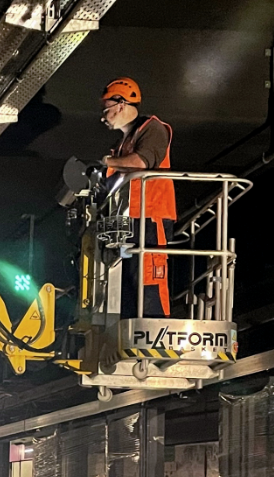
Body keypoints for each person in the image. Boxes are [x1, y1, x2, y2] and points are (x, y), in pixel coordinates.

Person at [99, 77, 176, 319]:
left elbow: (142, 162)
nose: (103, 116)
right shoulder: (122, 144)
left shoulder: (152, 129)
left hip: (150, 218)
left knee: (149, 278)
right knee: (129, 283)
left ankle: (156, 331)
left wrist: (107, 163)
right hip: (130, 221)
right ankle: (134, 328)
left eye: (106, 109)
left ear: (121, 104)